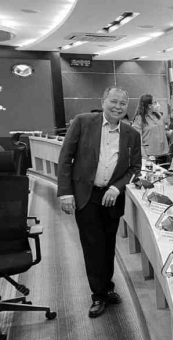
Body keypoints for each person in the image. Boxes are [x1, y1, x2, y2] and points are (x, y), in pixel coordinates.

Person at [57, 86, 142, 318]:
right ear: (103, 101)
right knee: (93, 246)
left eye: (123, 104)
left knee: (107, 245)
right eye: (113, 102)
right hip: (86, 194)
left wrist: (117, 187)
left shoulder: (132, 134)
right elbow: (65, 157)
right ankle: (98, 295)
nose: (118, 107)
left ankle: (107, 287)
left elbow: (135, 168)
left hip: (111, 197)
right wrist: (65, 192)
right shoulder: (83, 122)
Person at [132, 94, 169, 165]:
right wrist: (145, 157)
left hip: (164, 153)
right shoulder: (139, 119)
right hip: (149, 155)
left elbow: (163, 131)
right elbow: (137, 140)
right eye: (155, 102)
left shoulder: (158, 115)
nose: (157, 104)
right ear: (149, 106)